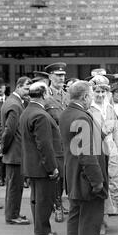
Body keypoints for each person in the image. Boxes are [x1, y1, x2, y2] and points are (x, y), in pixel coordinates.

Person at [60, 80, 111, 235]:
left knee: (75, 218)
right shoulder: (82, 116)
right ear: (85, 97)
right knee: (90, 220)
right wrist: (97, 181)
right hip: (86, 178)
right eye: (90, 95)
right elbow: (87, 154)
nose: (92, 99)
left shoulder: (66, 113)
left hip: (73, 176)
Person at [19, 81, 65, 235]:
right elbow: (44, 145)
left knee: (37, 200)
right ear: (44, 94)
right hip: (43, 167)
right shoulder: (41, 115)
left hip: (33, 166)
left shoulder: (27, 112)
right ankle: (44, 232)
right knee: (44, 201)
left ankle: (41, 231)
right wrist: (52, 168)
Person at [89, 75, 118, 235]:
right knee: (99, 184)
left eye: (103, 91)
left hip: (110, 152)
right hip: (96, 152)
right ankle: (99, 221)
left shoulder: (110, 108)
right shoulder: (88, 109)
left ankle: (107, 215)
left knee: (112, 184)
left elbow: (117, 132)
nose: (100, 95)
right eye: (97, 91)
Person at [0, 77, 32, 225]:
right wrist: (3, 148)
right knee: (14, 187)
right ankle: (12, 215)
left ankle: (13, 213)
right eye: (26, 88)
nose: (28, 91)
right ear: (18, 87)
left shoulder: (15, 102)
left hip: (15, 152)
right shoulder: (14, 104)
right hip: (15, 153)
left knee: (14, 186)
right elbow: (9, 131)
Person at [44, 62, 70, 222]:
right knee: (56, 176)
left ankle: (66, 203)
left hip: (70, 143)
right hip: (54, 144)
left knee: (69, 175)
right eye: (58, 75)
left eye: (63, 75)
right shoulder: (45, 97)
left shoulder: (68, 96)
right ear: (50, 77)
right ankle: (57, 205)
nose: (61, 78)